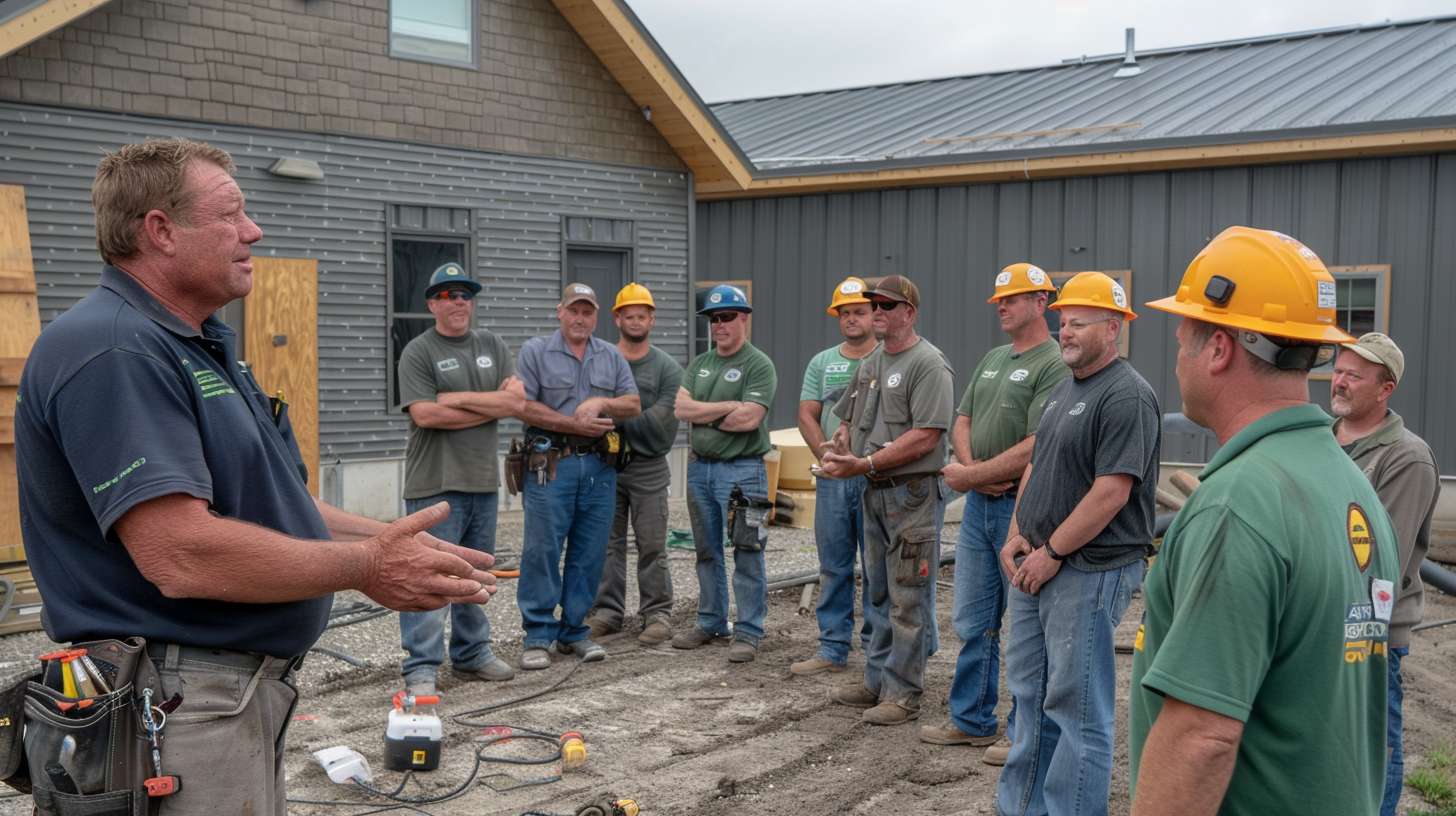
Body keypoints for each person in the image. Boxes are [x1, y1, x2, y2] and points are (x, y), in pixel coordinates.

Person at [14, 138, 496, 812]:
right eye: (231, 215)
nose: (253, 231)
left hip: (223, 698)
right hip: (178, 705)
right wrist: (364, 567)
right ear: (160, 231)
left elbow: (278, 503)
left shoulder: (194, 343)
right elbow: (179, 553)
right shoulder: (113, 349)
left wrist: (391, 541)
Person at [1130, 226, 1398, 816]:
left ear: (1219, 349)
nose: (1178, 355)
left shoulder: (1237, 506)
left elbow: (1203, 736)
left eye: (1184, 339)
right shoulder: (1352, 487)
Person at [996, 271, 1159, 816]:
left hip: (1087, 569)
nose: (1064, 332)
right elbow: (1038, 463)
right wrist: (1018, 531)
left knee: (1076, 711)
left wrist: (1053, 553)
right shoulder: (1066, 388)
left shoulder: (1127, 395)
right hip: (1037, 564)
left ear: (1113, 329)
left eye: (1078, 323)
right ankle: (1019, 808)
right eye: (1063, 322)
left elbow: (1111, 492)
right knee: (1028, 699)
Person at [921, 263, 1069, 764]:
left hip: (1019, 509)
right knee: (973, 619)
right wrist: (973, 470)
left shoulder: (1053, 363)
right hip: (983, 501)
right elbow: (961, 418)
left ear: (1041, 303)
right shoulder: (992, 359)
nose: (1002, 305)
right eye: (1000, 299)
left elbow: (1039, 443)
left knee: (1026, 628)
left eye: (1013, 298)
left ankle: (1020, 732)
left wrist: (973, 476)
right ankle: (971, 720)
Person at [822, 274, 955, 726]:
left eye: (887, 306)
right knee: (877, 590)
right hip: (875, 491)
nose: (877, 312)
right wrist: (839, 446)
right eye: (873, 305)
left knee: (908, 596)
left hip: (911, 491)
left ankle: (903, 693)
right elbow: (848, 419)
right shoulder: (873, 362)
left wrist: (865, 465)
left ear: (909, 313)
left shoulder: (928, 363)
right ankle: (877, 680)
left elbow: (926, 437)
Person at [395, 262, 525, 694]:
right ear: (432, 303)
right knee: (427, 574)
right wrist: (489, 405)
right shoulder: (418, 351)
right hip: (434, 482)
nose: (458, 302)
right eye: (448, 295)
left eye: (465, 295)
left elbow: (515, 404)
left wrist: (458, 398)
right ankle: (421, 666)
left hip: (481, 482)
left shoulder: (492, 344)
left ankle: (471, 653)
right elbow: (425, 413)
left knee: (474, 574)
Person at [1330, 332, 1440, 816]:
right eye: (1338, 370)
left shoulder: (1405, 458)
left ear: (1385, 387)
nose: (1339, 382)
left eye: (1354, 376)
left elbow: (1380, 561)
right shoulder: (1321, 438)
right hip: (1317, 620)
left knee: (1373, 747)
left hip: (1369, 633)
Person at [514, 283, 641, 670]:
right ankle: (537, 634)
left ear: (596, 315)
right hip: (552, 463)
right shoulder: (535, 352)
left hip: (599, 467)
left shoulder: (610, 356)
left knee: (589, 551)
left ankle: (574, 631)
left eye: (587, 312)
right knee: (543, 549)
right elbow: (522, 406)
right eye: (574, 310)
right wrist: (572, 422)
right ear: (560, 312)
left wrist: (601, 401)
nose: (580, 318)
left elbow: (633, 403)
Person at [670, 284, 778, 663]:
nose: (720, 325)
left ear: (744, 318)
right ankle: (711, 620)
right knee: (706, 551)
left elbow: (748, 419)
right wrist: (727, 406)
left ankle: (749, 631)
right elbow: (681, 409)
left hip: (745, 471)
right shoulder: (700, 364)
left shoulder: (758, 364)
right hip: (701, 470)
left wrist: (706, 413)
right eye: (714, 319)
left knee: (748, 551)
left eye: (728, 317)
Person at [789, 277, 880, 677]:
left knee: (878, 566)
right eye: (845, 313)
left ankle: (879, 649)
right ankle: (832, 647)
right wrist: (824, 454)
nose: (851, 319)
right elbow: (806, 414)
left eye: (859, 311)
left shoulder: (888, 358)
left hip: (877, 477)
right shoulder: (822, 363)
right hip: (833, 479)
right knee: (834, 565)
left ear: (874, 314)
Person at [586, 283, 684, 646]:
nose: (636, 320)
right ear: (617, 318)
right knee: (605, 544)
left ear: (652, 319)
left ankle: (657, 613)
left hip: (649, 467)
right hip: (605, 465)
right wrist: (625, 410)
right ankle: (607, 612)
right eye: (630, 315)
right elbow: (583, 409)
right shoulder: (600, 359)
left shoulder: (667, 368)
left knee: (652, 543)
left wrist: (611, 410)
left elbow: (662, 426)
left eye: (643, 315)